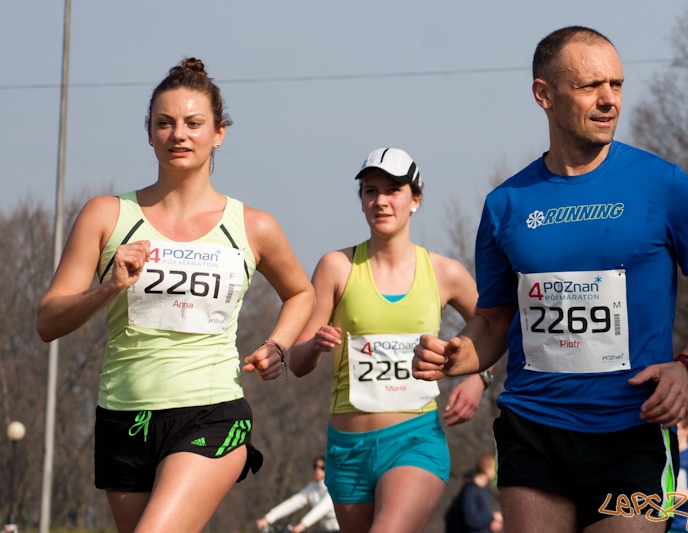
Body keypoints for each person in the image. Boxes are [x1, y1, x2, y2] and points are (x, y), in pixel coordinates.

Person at [412, 26, 688, 533]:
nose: (609, 99)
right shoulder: (506, 204)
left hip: (633, 427)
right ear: (544, 94)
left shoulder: (663, 185)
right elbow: (495, 321)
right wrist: (457, 356)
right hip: (534, 426)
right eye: (590, 86)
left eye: (616, 84)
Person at [36, 58, 315, 533]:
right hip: (123, 417)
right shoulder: (106, 215)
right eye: (164, 123)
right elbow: (47, 322)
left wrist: (278, 345)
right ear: (149, 133)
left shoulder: (254, 226)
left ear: (219, 133)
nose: (178, 134)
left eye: (193, 123)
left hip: (210, 412)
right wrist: (110, 286)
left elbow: (301, 292)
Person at [289, 147, 485, 533]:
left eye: (393, 190)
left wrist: (479, 377)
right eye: (370, 191)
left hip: (414, 440)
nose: (380, 200)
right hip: (348, 449)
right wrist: (313, 346)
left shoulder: (445, 272)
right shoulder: (336, 267)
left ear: (415, 199)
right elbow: (296, 363)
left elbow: (494, 327)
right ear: (362, 200)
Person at [256, 456, 339, 532]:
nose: (317, 470)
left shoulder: (335, 487)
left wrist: (302, 525)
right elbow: (294, 502)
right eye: (315, 466)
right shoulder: (312, 488)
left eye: (322, 467)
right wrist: (267, 518)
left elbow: (321, 509)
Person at [445, 455, 503, 533]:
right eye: (494, 469)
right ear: (486, 470)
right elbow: (471, 520)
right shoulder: (470, 491)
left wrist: (492, 522)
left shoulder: (485, 490)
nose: (495, 472)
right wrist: (492, 517)